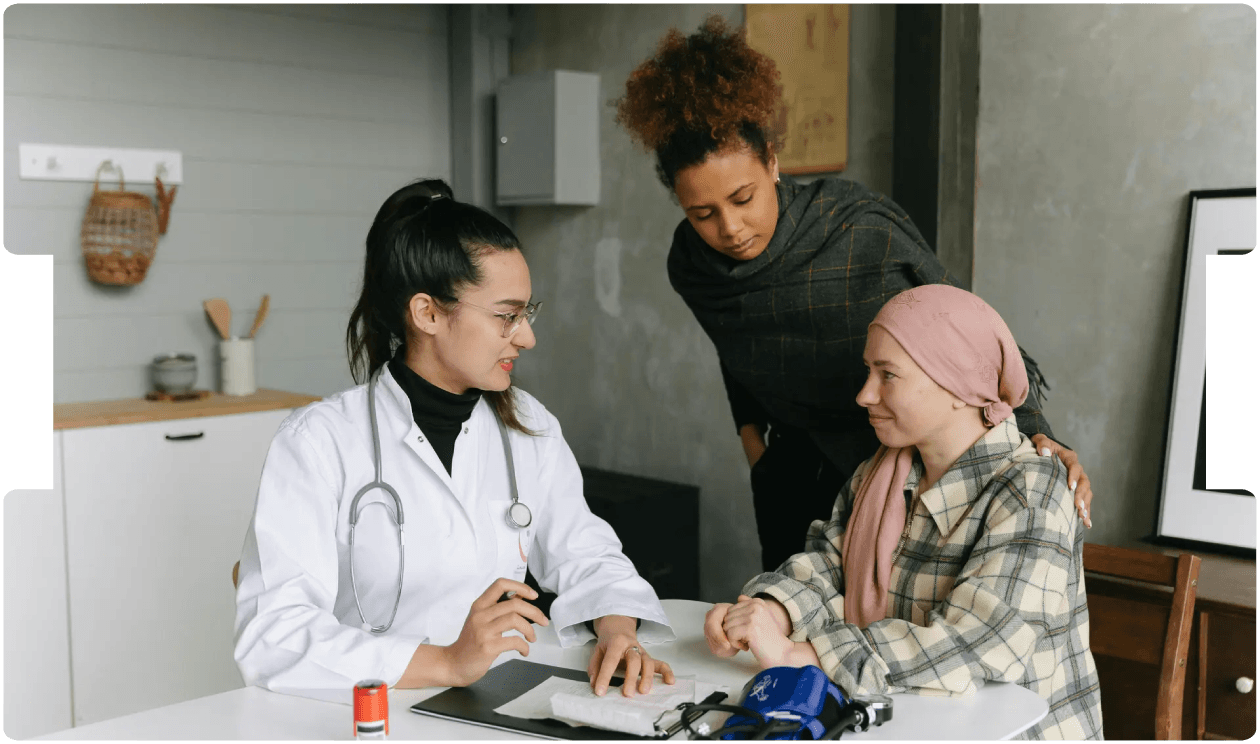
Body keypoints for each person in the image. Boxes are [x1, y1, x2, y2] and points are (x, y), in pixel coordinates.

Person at [614, 16, 1094, 573]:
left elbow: (971, 336)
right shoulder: (692, 266)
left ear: (772, 162)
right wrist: (752, 442)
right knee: (790, 605)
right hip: (791, 473)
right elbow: (738, 352)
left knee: (889, 611)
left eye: (743, 198)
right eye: (702, 213)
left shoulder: (856, 229)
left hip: (896, 460)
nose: (730, 228)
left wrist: (1038, 434)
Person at [234, 179, 675, 701]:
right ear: (427, 314)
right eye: (506, 316)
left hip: (495, 701)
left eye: (527, 313)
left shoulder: (527, 425)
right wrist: (446, 663)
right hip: (368, 711)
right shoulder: (318, 442)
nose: (527, 337)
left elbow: (587, 554)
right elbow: (273, 636)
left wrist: (619, 632)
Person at [703, 285, 1104, 740]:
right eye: (868, 371)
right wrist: (769, 612)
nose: (864, 394)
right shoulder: (879, 473)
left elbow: (982, 645)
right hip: (901, 723)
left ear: (958, 386)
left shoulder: (1033, 490)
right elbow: (828, 567)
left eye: (887, 375)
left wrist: (801, 655)